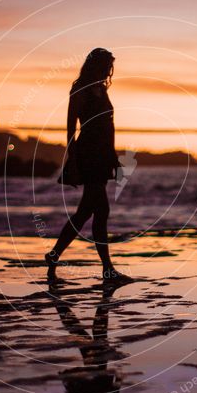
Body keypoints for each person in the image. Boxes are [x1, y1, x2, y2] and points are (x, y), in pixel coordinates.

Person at [45, 48, 131, 282]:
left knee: (85, 212)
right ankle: (107, 268)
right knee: (100, 210)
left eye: (109, 67)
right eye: (105, 66)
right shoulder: (80, 89)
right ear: (95, 66)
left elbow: (109, 125)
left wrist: (114, 158)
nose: (108, 71)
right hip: (88, 153)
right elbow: (71, 129)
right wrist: (72, 162)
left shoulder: (102, 90)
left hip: (103, 154)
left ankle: (53, 255)